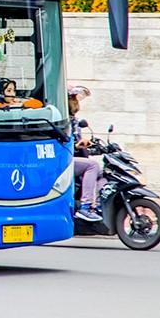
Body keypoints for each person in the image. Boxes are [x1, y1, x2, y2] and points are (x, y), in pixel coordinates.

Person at [69, 84, 100, 222]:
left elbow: (77, 140)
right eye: (73, 98)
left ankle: (98, 206)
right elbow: (64, 142)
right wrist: (76, 145)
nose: (76, 101)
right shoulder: (63, 120)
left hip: (75, 157)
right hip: (66, 160)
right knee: (92, 166)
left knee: (103, 172)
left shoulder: (74, 120)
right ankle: (85, 207)